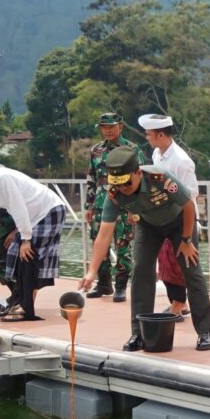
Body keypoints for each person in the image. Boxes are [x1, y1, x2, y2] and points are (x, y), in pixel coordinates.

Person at [79, 145, 210, 351]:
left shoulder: (160, 178)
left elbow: (188, 205)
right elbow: (104, 235)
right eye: (120, 185)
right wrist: (91, 272)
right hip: (149, 225)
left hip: (179, 223)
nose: (124, 189)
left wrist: (186, 240)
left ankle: (204, 332)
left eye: (128, 183)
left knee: (191, 270)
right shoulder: (114, 194)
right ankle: (138, 334)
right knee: (141, 270)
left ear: (138, 172)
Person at [138, 113, 200, 318]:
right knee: (166, 263)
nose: (147, 137)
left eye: (149, 134)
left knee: (182, 263)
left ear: (161, 135)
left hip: (181, 218)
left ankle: (181, 303)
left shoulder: (181, 161)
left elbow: (191, 194)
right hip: (162, 216)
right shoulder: (158, 154)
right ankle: (177, 302)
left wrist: (186, 232)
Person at [0, 164, 66, 321]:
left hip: (49, 211)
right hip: (34, 216)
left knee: (27, 257)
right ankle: (22, 301)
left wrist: (26, 239)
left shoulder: (0, 179)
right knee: (14, 254)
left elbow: (18, 207)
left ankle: (27, 308)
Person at [84, 112, 143, 302]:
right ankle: (103, 284)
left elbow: (140, 178)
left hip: (125, 204)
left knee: (123, 244)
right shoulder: (96, 150)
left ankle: (121, 286)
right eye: (104, 127)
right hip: (101, 204)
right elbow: (92, 178)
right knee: (98, 243)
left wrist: (136, 207)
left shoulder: (132, 149)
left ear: (121, 127)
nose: (108, 131)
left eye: (111, 126)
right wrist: (88, 206)